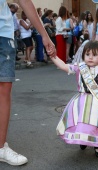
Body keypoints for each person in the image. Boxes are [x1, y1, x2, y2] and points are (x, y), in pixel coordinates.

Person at [0, 0, 55, 166]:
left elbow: (24, 1)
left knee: (4, 89)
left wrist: (44, 35)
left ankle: (0, 147)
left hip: (3, 34)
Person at [51, 41, 98, 157]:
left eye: (95, 55)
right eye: (87, 54)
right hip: (82, 101)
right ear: (83, 55)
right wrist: (53, 57)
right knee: (82, 122)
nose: (90, 57)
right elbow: (64, 66)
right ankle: (83, 140)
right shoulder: (79, 68)